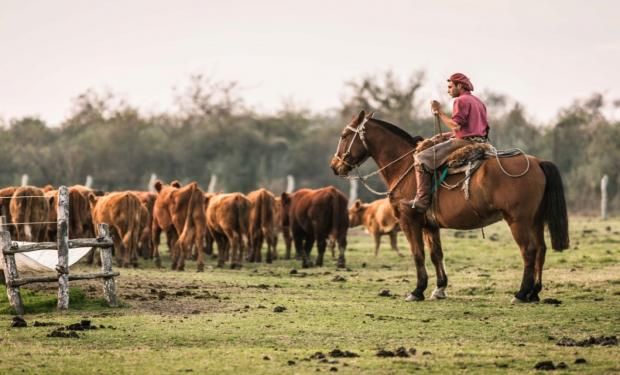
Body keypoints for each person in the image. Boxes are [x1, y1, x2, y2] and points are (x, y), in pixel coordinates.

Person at [406, 73, 489, 213]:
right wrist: (446, 136)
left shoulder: (460, 101)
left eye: (450, 87)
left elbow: (455, 126)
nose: (448, 90)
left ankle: (422, 200)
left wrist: (439, 112)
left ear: (460, 86)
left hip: (464, 143)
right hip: (480, 141)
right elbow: (471, 128)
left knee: (421, 158)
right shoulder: (478, 101)